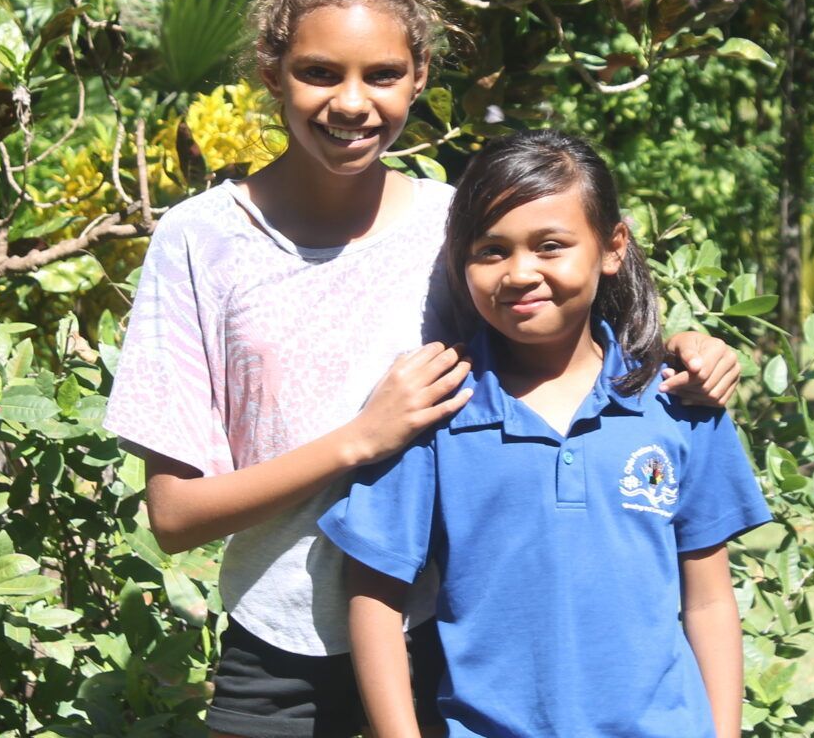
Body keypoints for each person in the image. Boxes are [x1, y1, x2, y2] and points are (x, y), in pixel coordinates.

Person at [101, 0, 743, 738]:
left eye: (381, 75)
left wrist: (680, 343)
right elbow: (173, 517)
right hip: (281, 652)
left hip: (457, 646)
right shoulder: (201, 241)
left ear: (419, 75)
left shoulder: (463, 229)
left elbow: (565, 323)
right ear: (272, 73)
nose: (351, 102)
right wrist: (358, 441)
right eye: (318, 72)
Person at [320, 129, 771, 738]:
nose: (520, 273)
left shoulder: (679, 401)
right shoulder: (432, 410)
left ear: (612, 248)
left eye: (550, 245)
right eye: (491, 250)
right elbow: (374, 598)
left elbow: (711, 598)